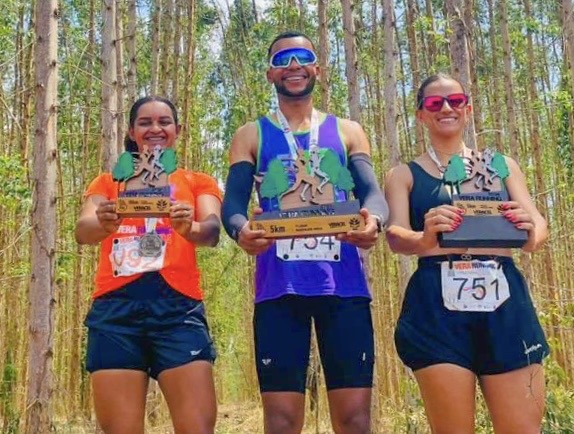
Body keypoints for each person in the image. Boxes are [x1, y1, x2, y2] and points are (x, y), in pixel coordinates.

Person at [222, 31, 388, 434]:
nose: (293, 66)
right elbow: (233, 206)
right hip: (280, 289)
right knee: (280, 422)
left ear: (317, 67)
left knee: (354, 420)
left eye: (302, 57)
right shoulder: (251, 134)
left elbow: (373, 194)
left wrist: (374, 222)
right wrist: (242, 231)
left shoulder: (348, 131)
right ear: (270, 74)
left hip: (343, 287)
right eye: (283, 59)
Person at [385, 73, 549, 433]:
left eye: (455, 101)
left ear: (468, 110)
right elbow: (395, 234)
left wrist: (530, 231)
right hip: (436, 305)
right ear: (421, 115)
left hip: (505, 299)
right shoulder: (404, 174)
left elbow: (537, 225)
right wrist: (425, 237)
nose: (446, 108)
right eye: (434, 103)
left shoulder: (502, 166)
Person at [75, 96, 222, 434]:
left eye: (164, 122)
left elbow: (211, 231)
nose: (155, 129)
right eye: (145, 122)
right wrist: (105, 221)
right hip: (115, 312)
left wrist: (191, 228)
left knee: (197, 428)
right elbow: (83, 231)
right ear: (131, 131)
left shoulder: (196, 181)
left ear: (177, 130)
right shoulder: (108, 183)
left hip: (178, 311)